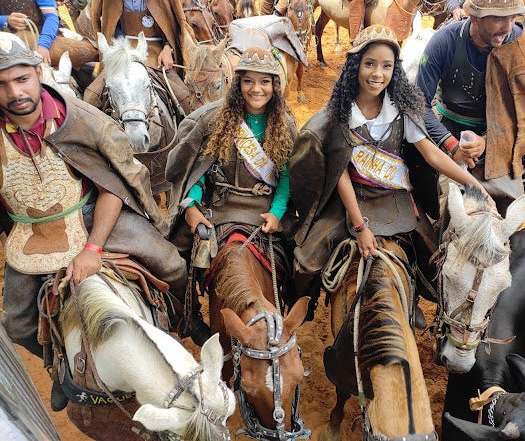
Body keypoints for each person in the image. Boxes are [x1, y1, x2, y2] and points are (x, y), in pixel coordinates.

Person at [0, 33, 210, 409]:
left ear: (38, 73)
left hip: (93, 215)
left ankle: (186, 317)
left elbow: (114, 186)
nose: (14, 92)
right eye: (2, 84)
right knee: (16, 323)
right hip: (31, 234)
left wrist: (94, 248)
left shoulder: (83, 121)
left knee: (170, 263)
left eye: (21, 79)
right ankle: (58, 365)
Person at [289, 24, 494, 315]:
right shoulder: (339, 114)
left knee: (434, 263)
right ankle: (304, 305)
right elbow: (341, 174)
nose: (378, 74)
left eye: (386, 66)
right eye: (369, 64)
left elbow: (432, 155)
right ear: (355, 66)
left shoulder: (401, 109)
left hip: (396, 199)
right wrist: (360, 228)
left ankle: (411, 302)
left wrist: (475, 185)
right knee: (306, 262)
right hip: (352, 199)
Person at [165, 46, 297, 299]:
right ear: (238, 84)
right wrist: (191, 206)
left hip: (265, 210)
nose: (256, 89)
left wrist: (277, 213)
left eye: (264, 82)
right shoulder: (217, 120)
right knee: (174, 256)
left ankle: (296, 304)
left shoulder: (285, 126)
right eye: (248, 81)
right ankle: (185, 310)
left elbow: (287, 177)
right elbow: (201, 170)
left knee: (302, 259)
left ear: (275, 85)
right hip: (219, 210)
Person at [416, 0, 525, 216]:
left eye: (513, 18)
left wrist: (488, 141)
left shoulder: (521, 45)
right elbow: (419, 104)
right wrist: (452, 146)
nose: (508, 27)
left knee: (511, 208)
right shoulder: (444, 41)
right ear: (474, 17)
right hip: (448, 127)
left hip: (499, 135)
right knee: (439, 203)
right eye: (499, 18)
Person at [84, 0, 195, 117]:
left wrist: (167, 48)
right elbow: (100, 21)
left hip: (154, 52)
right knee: (91, 97)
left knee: (183, 98)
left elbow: (174, 27)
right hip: (121, 52)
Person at [0, 0, 98, 68]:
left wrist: (43, 45)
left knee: (84, 62)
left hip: (42, 34)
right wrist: (6, 20)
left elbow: (51, 16)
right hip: (4, 38)